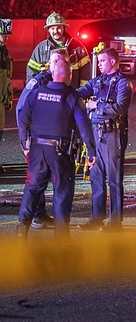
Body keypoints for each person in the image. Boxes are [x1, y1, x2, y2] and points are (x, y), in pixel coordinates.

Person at [16, 58, 96, 238]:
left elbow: (23, 117)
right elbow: (84, 126)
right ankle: (61, 238)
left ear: (53, 74)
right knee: (62, 192)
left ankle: (22, 228)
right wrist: (91, 152)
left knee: (33, 189)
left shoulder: (36, 93)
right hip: (60, 152)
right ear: (69, 75)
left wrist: (24, 142)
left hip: (37, 150)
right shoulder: (72, 97)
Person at [75, 48, 132, 231]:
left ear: (113, 61)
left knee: (114, 179)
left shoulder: (123, 83)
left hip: (112, 134)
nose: (98, 64)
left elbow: (120, 107)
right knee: (96, 178)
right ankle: (96, 218)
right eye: (98, 61)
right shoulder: (98, 81)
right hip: (96, 134)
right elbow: (81, 91)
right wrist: (60, 89)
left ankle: (115, 222)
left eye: (102, 61)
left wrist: (96, 105)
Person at [17, 49, 73, 229]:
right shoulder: (39, 82)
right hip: (36, 139)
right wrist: (24, 140)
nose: (59, 63)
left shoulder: (60, 79)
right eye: (56, 60)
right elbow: (22, 110)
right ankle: (37, 216)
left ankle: (39, 216)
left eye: (62, 60)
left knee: (40, 178)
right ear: (50, 62)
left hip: (49, 138)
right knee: (37, 181)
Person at [27, 12, 91, 88]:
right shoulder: (41, 49)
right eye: (52, 28)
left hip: (71, 95)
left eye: (59, 28)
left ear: (64, 28)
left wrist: (81, 94)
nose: (55, 31)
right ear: (48, 30)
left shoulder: (78, 48)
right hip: (48, 95)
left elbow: (86, 74)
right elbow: (31, 72)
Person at [0, 22, 13, 175]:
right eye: (2, 35)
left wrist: (8, 95)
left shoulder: (4, 52)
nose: (5, 38)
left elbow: (6, 77)